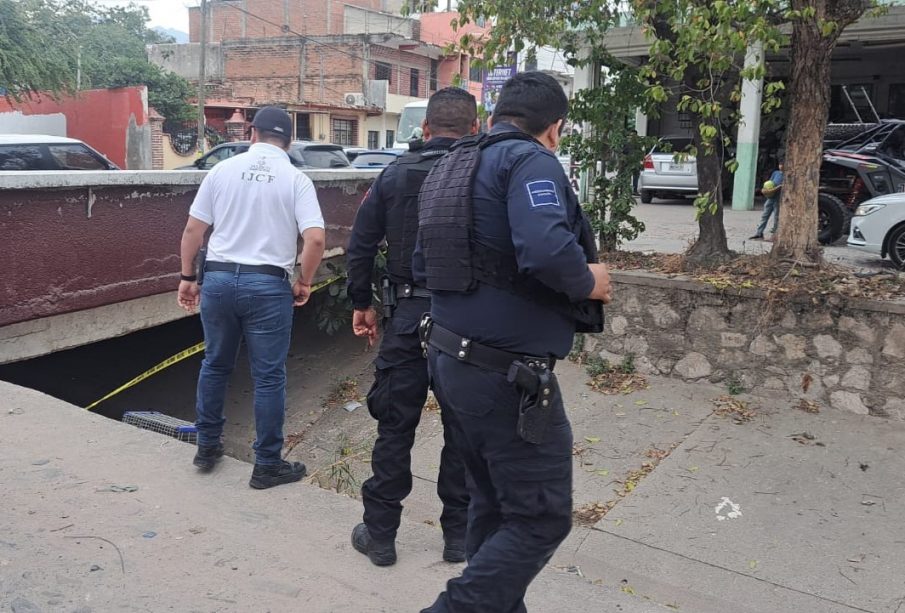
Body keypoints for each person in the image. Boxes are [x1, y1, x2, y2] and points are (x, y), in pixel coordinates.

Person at [414, 72, 613, 612]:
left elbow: (421, 262)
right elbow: (547, 251)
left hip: (452, 359)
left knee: (495, 506)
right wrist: (589, 280)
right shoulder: (530, 160)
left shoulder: (455, 162)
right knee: (541, 517)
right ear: (554, 128)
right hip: (506, 375)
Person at [345, 87, 478, 566]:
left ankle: (380, 536)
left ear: (424, 131)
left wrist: (362, 304)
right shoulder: (484, 174)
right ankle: (458, 537)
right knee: (462, 428)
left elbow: (360, 246)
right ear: (475, 129)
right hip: (465, 323)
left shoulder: (395, 174)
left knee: (395, 426)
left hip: (406, 316)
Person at [177, 106, 326, 489]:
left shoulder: (221, 170)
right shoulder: (296, 180)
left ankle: (207, 447)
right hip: (267, 286)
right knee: (269, 376)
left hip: (220, 281)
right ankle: (266, 465)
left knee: (215, 364)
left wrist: (187, 277)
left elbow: (194, 230)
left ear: (253, 134)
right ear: (289, 141)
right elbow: (315, 239)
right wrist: (304, 281)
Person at [750, 160, 784, 240]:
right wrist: (766, 189)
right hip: (770, 198)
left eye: (783, 164)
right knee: (765, 215)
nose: (781, 166)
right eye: (780, 164)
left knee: (777, 217)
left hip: (778, 199)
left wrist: (778, 188)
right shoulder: (776, 173)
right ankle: (759, 233)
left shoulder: (787, 175)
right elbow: (770, 182)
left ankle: (775, 234)